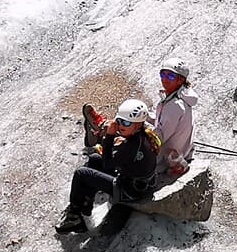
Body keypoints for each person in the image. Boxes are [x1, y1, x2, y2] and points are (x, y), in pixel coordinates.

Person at [57, 99, 161, 234]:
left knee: (81, 173)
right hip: (138, 183)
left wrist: (110, 137)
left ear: (137, 125)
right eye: (119, 121)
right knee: (94, 159)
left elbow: (107, 162)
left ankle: (75, 216)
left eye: (126, 123)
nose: (121, 125)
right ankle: (82, 208)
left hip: (130, 190)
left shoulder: (130, 145)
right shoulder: (143, 135)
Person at [152, 63, 196, 179]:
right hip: (182, 150)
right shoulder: (181, 97)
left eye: (170, 76)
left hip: (165, 159)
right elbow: (161, 122)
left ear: (180, 80)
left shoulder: (175, 105)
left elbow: (159, 138)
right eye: (162, 74)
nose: (165, 79)